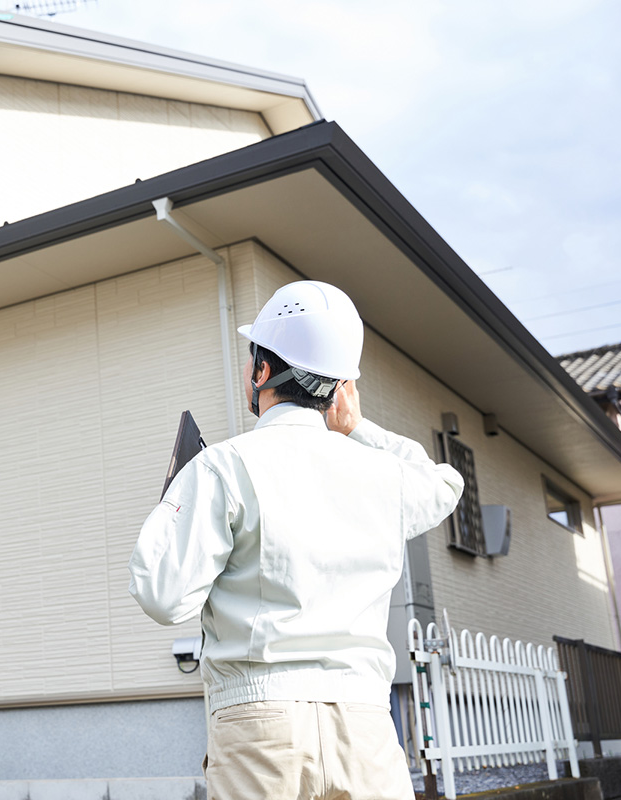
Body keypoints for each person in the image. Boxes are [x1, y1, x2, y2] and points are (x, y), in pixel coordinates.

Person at [129, 280, 464, 800]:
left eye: (251, 360)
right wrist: (356, 426)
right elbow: (444, 484)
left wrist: (174, 499)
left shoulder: (222, 466)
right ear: (339, 386)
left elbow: (163, 596)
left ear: (263, 370)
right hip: (367, 727)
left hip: (260, 725)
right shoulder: (383, 475)